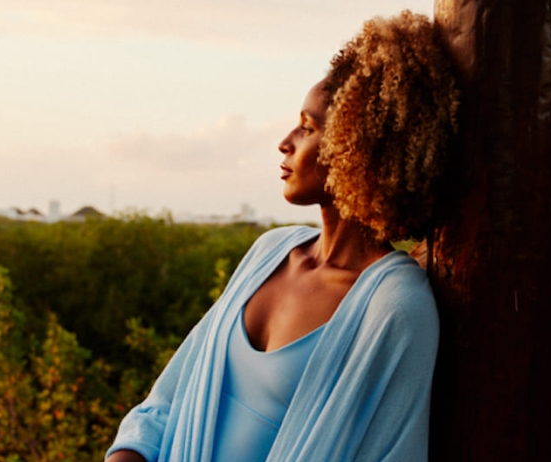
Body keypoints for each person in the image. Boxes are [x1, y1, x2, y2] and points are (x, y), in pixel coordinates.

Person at [105, 11, 459, 462]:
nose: (285, 142)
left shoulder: (396, 307)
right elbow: (167, 401)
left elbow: (393, 453)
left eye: (307, 128)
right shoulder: (270, 252)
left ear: (358, 147)